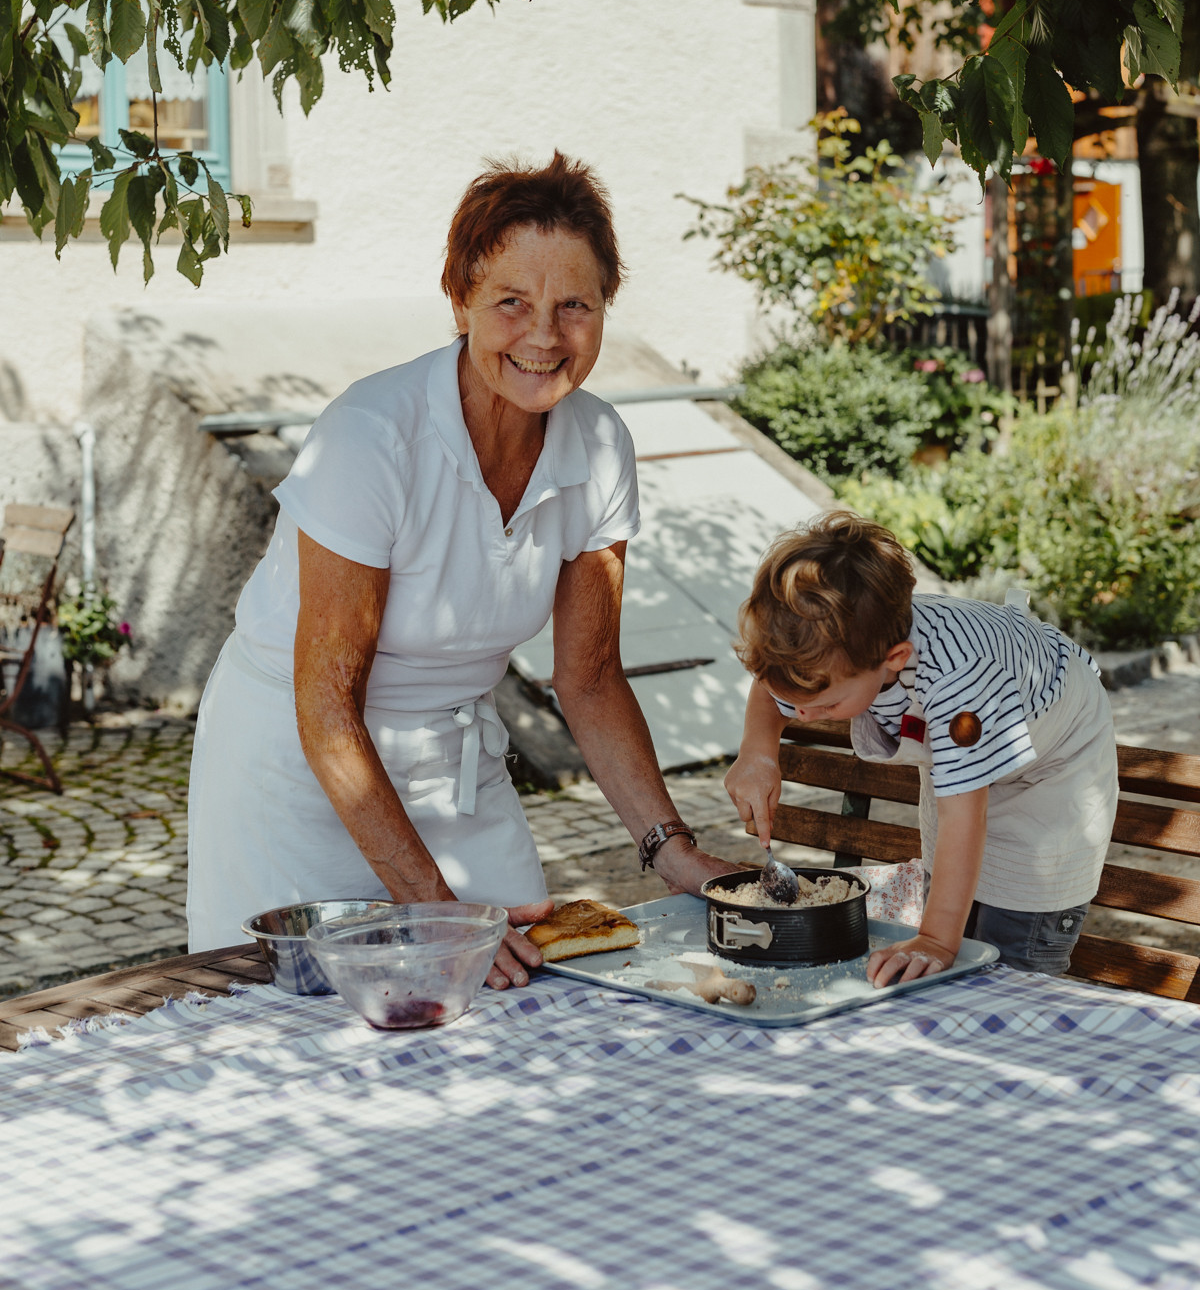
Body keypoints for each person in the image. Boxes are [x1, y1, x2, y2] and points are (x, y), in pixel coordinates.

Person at [188, 152, 735, 986]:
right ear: (460, 300)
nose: (545, 335)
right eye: (511, 302)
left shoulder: (599, 445)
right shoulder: (372, 436)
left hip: (454, 768)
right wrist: (437, 912)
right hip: (299, 772)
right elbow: (328, 708)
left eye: (574, 306)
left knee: (525, 996)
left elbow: (587, 680)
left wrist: (674, 852)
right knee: (303, 1030)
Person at [724, 512, 1118, 986]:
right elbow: (772, 691)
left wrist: (934, 940)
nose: (802, 714)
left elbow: (963, 816)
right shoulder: (821, 651)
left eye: (825, 704)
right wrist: (758, 754)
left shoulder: (960, 683)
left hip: (1054, 769)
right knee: (953, 913)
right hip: (966, 750)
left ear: (894, 659)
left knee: (1014, 940)